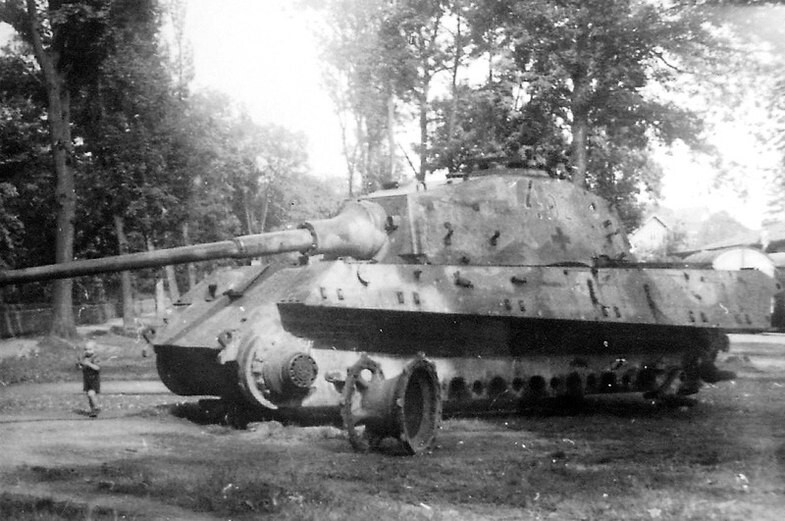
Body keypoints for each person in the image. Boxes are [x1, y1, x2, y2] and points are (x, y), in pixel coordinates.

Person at [78, 341, 101, 417]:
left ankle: (97, 407)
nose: (87, 351)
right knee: (89, 395)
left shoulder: (95, 357)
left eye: (90, 349)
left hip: (94, 379)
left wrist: (89, 364)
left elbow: (97, 368)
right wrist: (80, 366)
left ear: (95, 349)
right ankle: (93, 410)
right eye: (85, 349)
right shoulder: (84, 358)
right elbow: (82, 367)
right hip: (87, 380)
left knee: (91, 394)